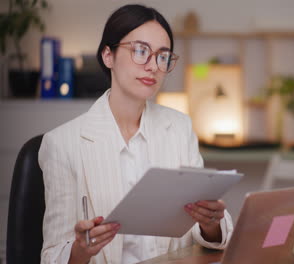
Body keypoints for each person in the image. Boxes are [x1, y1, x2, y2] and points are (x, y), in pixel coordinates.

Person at [38, 4, 233, 264]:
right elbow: (51, 256)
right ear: (108, 56)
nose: (153, 65)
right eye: (141, 51)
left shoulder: (179, 128)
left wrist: (211, 224)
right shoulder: (62, 144)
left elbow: (203, 232)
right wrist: (80, 251)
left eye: (162, 56)